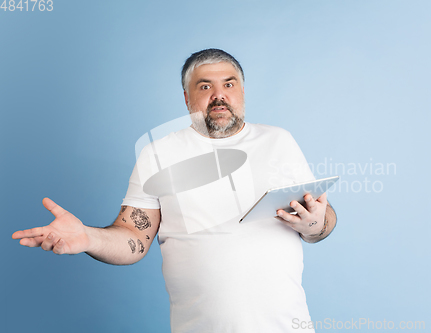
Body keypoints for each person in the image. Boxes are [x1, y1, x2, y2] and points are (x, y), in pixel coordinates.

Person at [12, 48, 337, 333]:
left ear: (241, 92)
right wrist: (87, 237)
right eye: (205, 86)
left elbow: (320, 218)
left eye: (229, 84)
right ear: (186, 97)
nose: (219, 94)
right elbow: (134, 238)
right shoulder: (159, 153)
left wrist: (315, 223)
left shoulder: (278, 141)